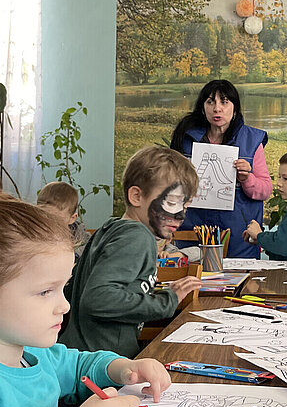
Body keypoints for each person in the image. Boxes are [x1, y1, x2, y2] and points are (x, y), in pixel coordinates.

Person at [0, 194, 172, 407]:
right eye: (45, 292)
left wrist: (124, 368)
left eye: (62, 288)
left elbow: (78, 363)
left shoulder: (34, 354)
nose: (64, 306)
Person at [60, 146, 202, 359]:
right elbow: (98, 299)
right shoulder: (136, 236)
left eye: (185, 206)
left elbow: (73, 293)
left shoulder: (111, 228)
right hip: (102, 363)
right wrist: (167, 300)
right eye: (172, 203)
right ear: (136, 196)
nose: (181, 215)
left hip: (81, 356)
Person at [170, 79, 273, 259]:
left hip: (238, 234)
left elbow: (265, 190)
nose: (217, 108)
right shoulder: (186, 138)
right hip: (193, 229)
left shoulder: (252, 140)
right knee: (193, 282)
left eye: (224, 102)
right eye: (210, 102)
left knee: (241, 284)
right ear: (203, 107)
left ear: (235, 108)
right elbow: (169, 183)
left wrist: (247, 178)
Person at [37, 181, 90, 259]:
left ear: (72, 218)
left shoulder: (82, 241)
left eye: (57, 221)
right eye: (43, 217)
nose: (49, 224)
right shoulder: (30, 233)